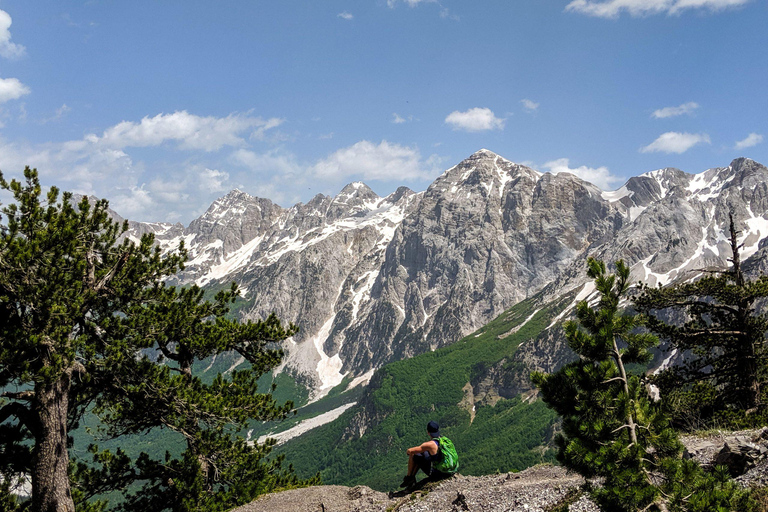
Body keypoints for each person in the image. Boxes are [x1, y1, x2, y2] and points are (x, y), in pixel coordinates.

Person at [400, 420, 451, 488]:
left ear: (428, 432)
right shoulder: (445, 440)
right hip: (447, 472)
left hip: (436, 474)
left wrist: (422, 450)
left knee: (415, 455)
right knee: (421, 454)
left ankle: (409, 478)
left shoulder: (429, 444)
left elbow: (409, 451)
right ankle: (410, 478)